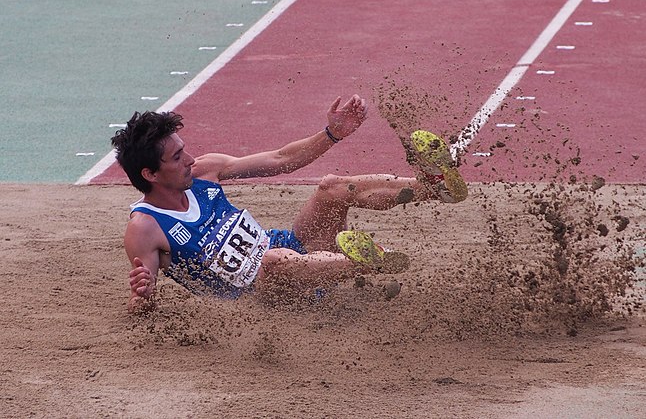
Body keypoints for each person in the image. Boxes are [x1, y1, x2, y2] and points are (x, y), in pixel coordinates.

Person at [111, 94, 467, 311]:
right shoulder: (145, 228)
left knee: (330, 189)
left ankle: (431, 187)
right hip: (266, 299)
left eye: (184, 148)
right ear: (151, 174)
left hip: (297, 252)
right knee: (277, 260)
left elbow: (281, 159)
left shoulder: (205, 171)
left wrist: (332, 134)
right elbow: (141, 307)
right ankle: (363, 263)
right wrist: (142, 294)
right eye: (177, 157)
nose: (189, 158)